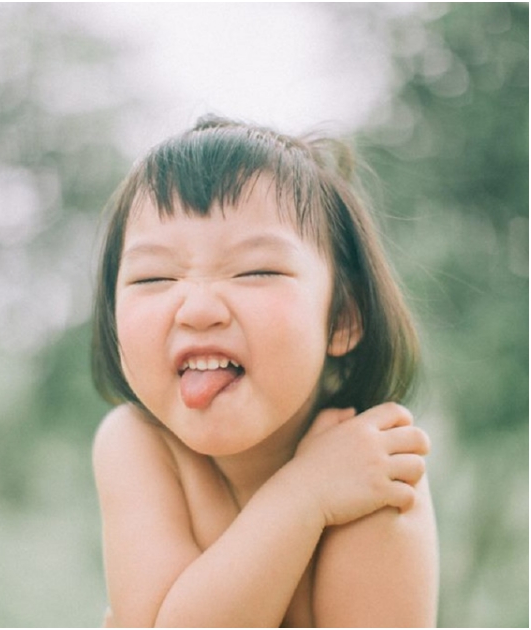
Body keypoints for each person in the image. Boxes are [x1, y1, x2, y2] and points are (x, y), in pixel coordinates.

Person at [90, 116, 438, 627]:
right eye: (155, 276)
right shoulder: (136, 442)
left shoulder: (374, 468)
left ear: (342, 317)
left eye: (256, 271)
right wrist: (305, 495)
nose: (197, 309)